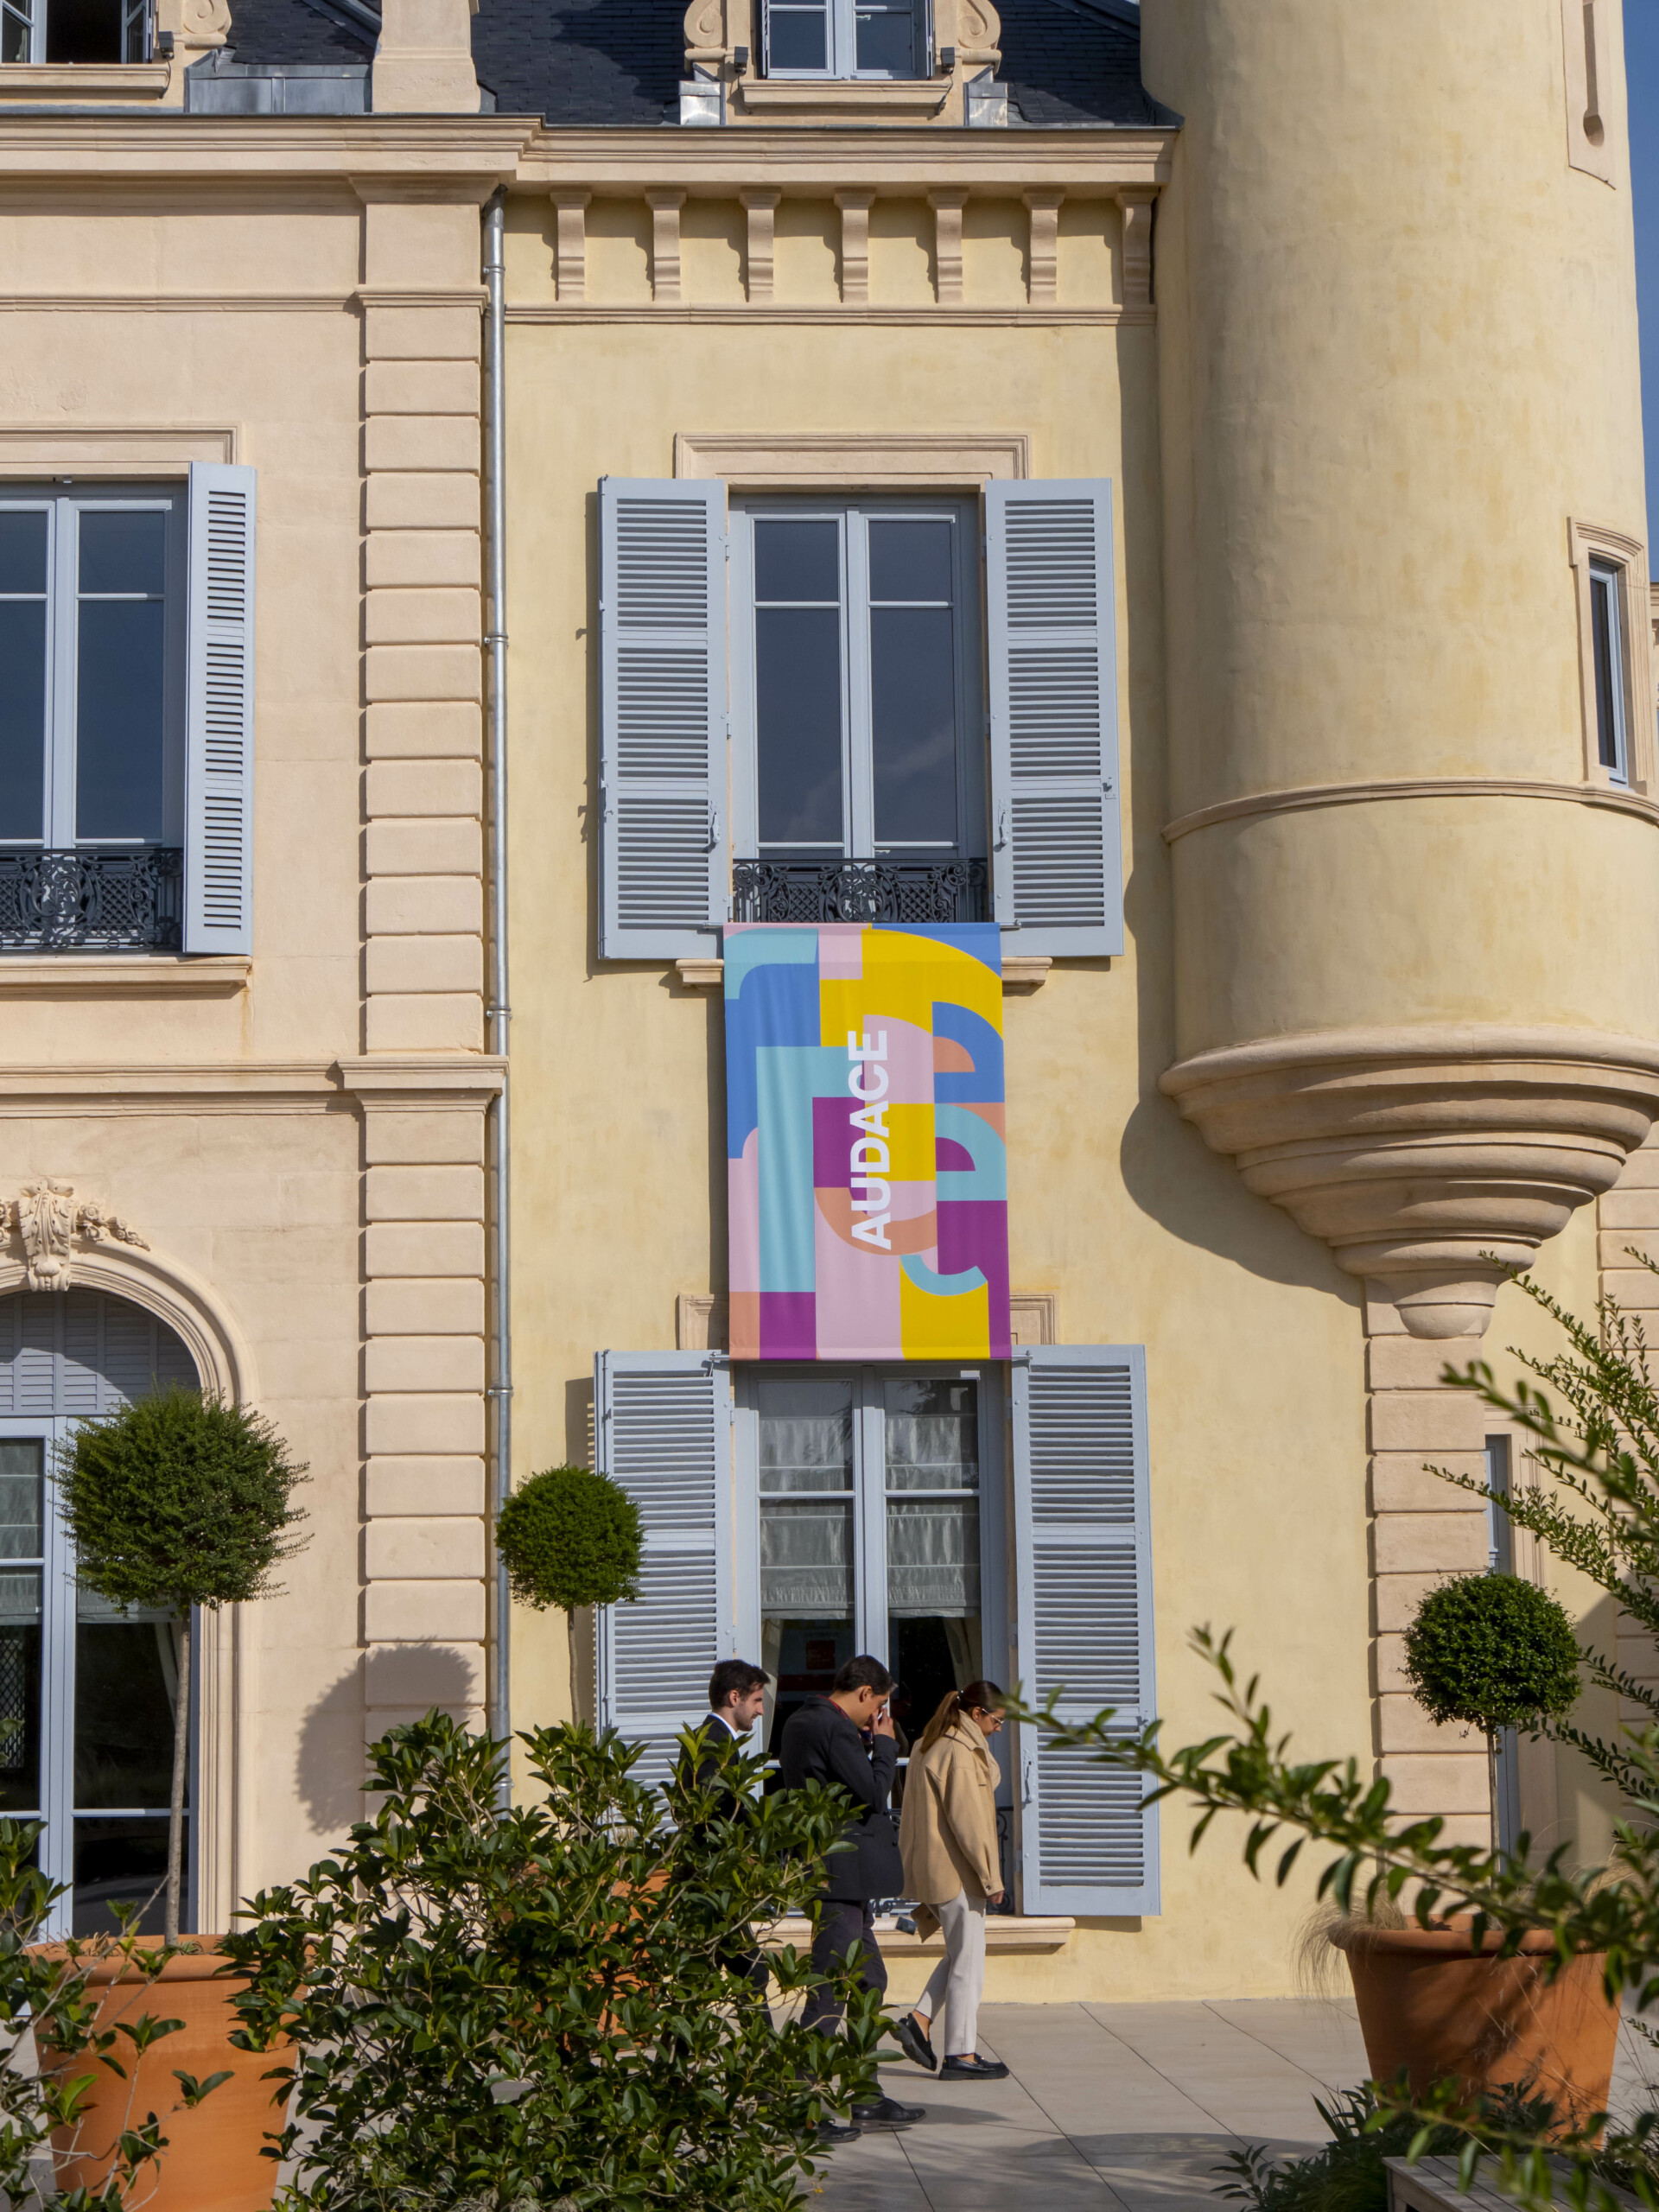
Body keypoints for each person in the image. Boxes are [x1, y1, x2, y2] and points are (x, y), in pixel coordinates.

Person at [779, 1654, 925, 2139]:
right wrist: (884, 1747)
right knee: (828, 1991)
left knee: (869, 1979)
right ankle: (800, 2109)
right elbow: (873, 1794)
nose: (876, 1717)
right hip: (839, 1878)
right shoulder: (834, 1727)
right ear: (865, 1693)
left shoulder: (802, 1720)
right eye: (877, 1706)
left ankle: (865, 2097)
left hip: (840, 1876)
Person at [893, 1681, 1012, 2081]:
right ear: (976, 1713)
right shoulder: (959, 1752)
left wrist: (981, 1744)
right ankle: (961, 2053)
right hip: (957, 1872)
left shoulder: (931, 1743)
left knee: (962, 1954)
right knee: (968, 1963)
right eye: (996, 1721)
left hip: (933, 1867)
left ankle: (919, 2019)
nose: (999, 1728)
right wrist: (991, 1877)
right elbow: (970, 1822)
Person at [679, 1658, 772, 2004]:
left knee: (706, 1976)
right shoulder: (714, 1743)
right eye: (757, 1700)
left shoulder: (711, 1738)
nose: (761, 1710)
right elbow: (715, 1807)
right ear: (735, 1698)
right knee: (748, 1973)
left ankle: (681, 2036)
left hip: (709, 1879)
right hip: (712, 1879)